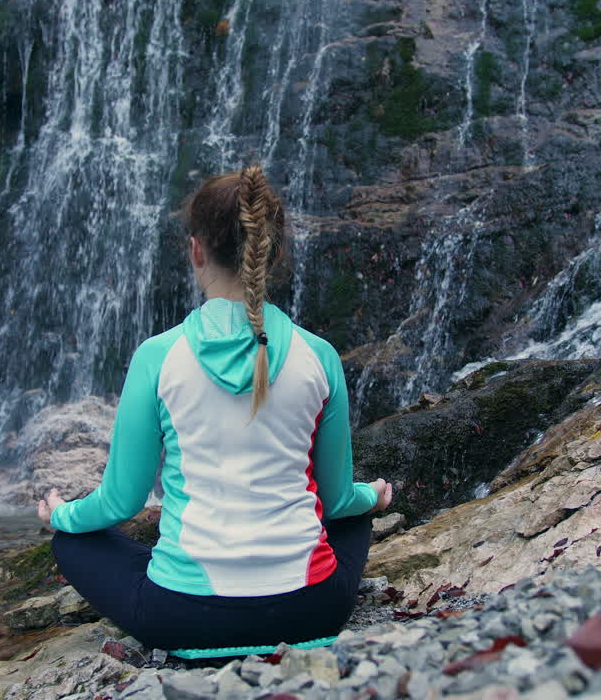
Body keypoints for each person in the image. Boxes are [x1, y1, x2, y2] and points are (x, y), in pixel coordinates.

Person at [35, 165, 393, 652]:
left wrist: (61, 514)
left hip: (185, 618)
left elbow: (121, 502)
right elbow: (335, 500)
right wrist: (371, 496)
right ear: (275, 253)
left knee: (72, 541)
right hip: (312, 610)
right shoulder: (320, 357)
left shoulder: (158, 357)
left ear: (196, 250)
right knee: (354, 515)